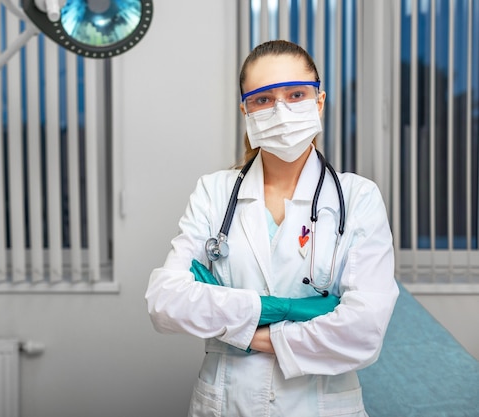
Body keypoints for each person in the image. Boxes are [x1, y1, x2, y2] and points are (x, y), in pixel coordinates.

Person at [145, 39, 399, 417]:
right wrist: (286, 309)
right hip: (227, 403)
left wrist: (239, 326)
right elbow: (165, 303)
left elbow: (362, 332)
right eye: (263, 99)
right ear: (245, 109)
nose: (281, 110)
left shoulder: (357, 196)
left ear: (319, 102)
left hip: (322, 405)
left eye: (296, 94)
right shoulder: (215, 192)